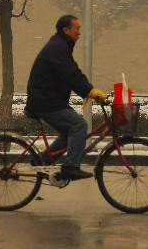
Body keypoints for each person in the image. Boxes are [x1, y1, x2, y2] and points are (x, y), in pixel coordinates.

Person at [25, 14, 106, 180]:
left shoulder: (60, 45)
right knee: (79, 125)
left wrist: (88, 91)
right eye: (77, 28)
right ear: (66, 30)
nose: (80, 32)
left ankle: (43, 159)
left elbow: (70, 73)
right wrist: (90, 91)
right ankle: (70, 166)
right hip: (45, 101)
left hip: (47, 99)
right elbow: (71, 73)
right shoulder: (58, 48)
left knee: (69, 131)